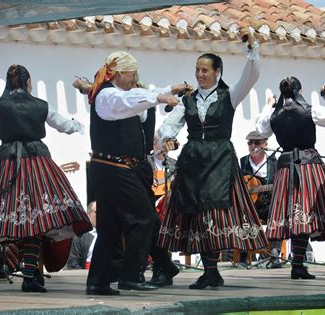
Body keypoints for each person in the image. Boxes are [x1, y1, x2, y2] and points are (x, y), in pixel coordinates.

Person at [0, 64, 92, 293]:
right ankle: (31, 275)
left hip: (7, 165)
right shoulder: (41, 105)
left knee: (13, 221)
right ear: (28, 82)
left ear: (8, 83)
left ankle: (30, 273)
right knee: (36, 222)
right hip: (38, 164)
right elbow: (64, 124)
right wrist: (78, 126)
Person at [157, 33, 268, 290]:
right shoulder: (188, 100)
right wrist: (168, 138)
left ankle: (212, 271)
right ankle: (210, 272)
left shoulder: (230, 94)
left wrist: (252, 50)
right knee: (196, 214)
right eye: (197, 70)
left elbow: (250, 76)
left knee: (215, 214)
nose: (199, 74)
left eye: (204, 70)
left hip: (219, 159)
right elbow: (169, 125)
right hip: (193, 159)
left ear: (217, 72)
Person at [85, 51, 182, 295]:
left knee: (110, 227)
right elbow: (128, 101)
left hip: (110, 169)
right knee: (143, 218)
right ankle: (130, 275)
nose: (134, 78)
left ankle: (98, 280)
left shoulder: (113, 92)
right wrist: (159, 97)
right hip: (115, 168)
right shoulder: (108, 95)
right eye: (131, 73)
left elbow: (137, 95)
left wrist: (166, 91)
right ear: (119, 73)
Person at [255, 77, 325, 280]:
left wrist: (268, 107)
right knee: (304, 216)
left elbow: (261, 129)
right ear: (299, 89)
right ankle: (298, 264)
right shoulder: (310, 110)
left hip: (286, 167)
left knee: (293, 217)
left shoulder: (274, 116)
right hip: (308, 165)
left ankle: (297, 264)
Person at [238, 130, 282, 268]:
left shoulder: (274, 162)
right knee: (243, 215)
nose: (253, 145)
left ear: (265, 144)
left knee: (276, 212)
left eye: (256, 142)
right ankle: (243, 256)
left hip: (268, 204)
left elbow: (280, 185)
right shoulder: (242, 162)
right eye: (250, 142)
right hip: (249, 205)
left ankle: (274, 254)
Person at [66, 202, 98, 270]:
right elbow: (72, 263)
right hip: (86, 276)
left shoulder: (111, 235)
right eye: (97, 212)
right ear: (88, 214)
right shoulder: (80, 236)